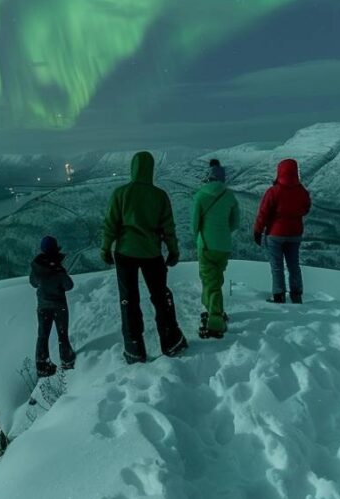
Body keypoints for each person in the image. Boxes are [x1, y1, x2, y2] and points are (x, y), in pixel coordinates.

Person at [100, 151, 188, 363]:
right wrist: (173, 250)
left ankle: (134, 349)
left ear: (132, 168)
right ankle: (171, 342)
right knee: (160, 297)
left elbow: (111, 223)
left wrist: (105, 248)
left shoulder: (121, 193)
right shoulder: (159, 196)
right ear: (151, 169)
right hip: (151, 253)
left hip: (125, 253)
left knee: (128, 300)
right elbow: (168, 228)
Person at [253, 158, 312, 303]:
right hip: (295, 233)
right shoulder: (302, 191)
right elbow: (306, 209)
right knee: (294, 265)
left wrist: (258, 231)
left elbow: (263, 213)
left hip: (275, 233)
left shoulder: (273, 191)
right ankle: (296, 294)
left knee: (277, 266)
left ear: (279, 172)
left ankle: (279, 295)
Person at [192, 159, 239, 339]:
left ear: (208, 177)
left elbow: (194, 224)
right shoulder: (230, 197)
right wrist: (223, 233)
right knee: (216, 279)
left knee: (209, 281)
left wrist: (201, 235)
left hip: (205, 244)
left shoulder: (200, 196)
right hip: (224, 245)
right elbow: (235, 223)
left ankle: (215, 320)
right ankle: (213, 309)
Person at [29, 235, 76, 377]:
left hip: (43, 305)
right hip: (59, 305)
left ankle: (42, 365)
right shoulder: (58, 269)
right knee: (62, 334)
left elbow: (33, 283)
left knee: (43, 334)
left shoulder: (37, 267)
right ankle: (66, 360)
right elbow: (69, 285)